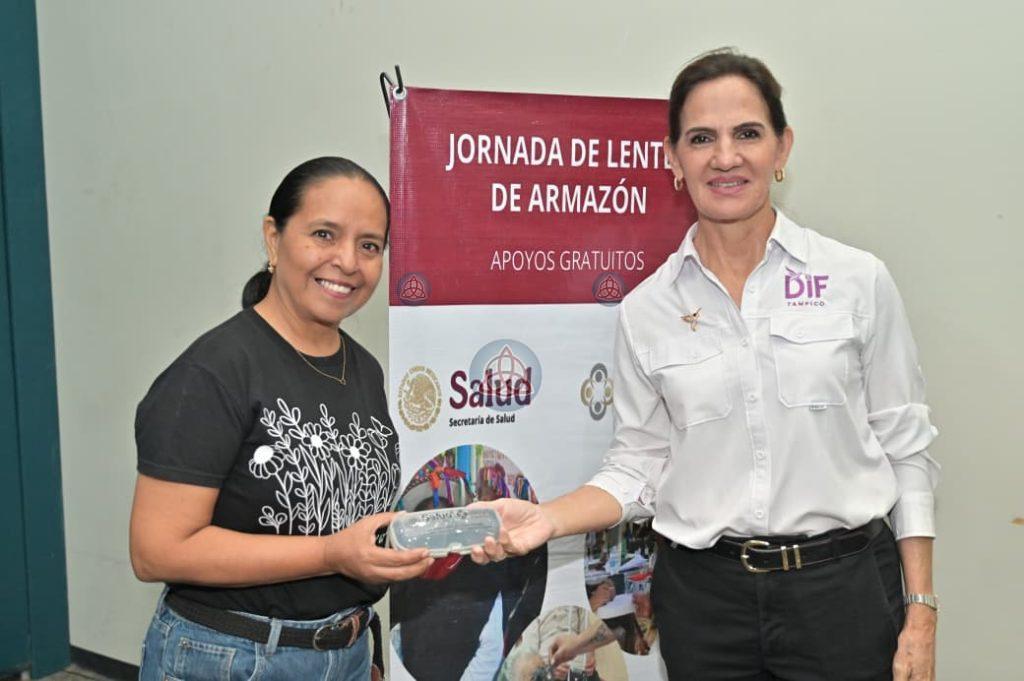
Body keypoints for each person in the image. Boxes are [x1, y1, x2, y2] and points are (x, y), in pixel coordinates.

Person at [472, 49, 940, 681]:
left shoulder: (858, 281)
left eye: (747, 133)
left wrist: (921, 611)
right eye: (701, 139)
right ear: (673, 158)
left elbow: (907, 449)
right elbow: (639, 465)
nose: (725, 157)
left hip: (843, 593)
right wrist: (546, 518)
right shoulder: (647, 309)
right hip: (705, 603)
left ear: (782, 147)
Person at [130, 156, 434, 680]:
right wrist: (331, 555)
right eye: (324, 234)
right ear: (273, 239)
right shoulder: (213, 372)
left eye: (369, 246)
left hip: (346, 653)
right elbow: (156, 552)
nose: (348, 261)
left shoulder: (363, 368)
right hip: (229, 659)